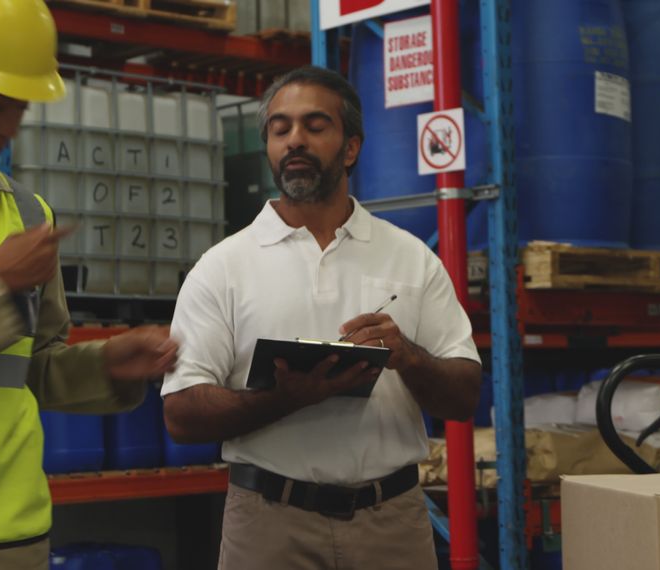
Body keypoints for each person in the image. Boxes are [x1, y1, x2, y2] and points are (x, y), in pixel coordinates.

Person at [0, 0, 179, 568]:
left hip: (11, 539)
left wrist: (106, 364)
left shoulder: (26, 214)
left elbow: (32, 368)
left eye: (19, 109)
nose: (5, 129)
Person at [162, 65, 482, 569]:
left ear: (350, 147)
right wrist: (283, 399)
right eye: (280, 128)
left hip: (391, 525)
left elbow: (464, 395)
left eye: (315, 126)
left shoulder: (411, 258)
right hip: (268, 527)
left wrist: (408, 358)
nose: (294, 141)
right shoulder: (223, 266)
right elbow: (180, 414)